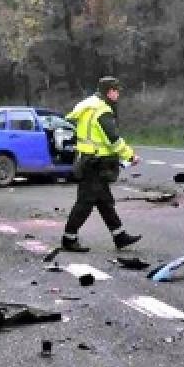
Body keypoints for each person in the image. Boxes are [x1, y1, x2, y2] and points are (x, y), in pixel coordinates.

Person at [60, 77, 142, 252]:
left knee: (105, 202)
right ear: (109, 91)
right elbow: (113, 140)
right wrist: (130, 155)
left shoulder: (89, 105)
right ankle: (69, 238)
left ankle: (120, 236)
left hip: (88, 160)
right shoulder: (102, 110)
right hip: (94, 164)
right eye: (116, 90)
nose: (118, 94)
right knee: (85, 203)